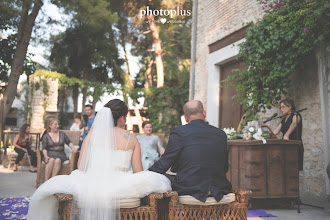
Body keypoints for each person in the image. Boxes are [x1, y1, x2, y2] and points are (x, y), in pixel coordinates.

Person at [28, 99, 171, 220]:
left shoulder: (91, 136)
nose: (126, 120)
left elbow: (81, 166)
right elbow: (138, 171)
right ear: (121, 117)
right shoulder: (131, 138)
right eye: (125, 116)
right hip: (122, 184)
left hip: (92, 183)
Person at [149, 100, 232, 202]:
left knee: (162, 179)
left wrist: (146, 175)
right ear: (204, 113)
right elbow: (225, 167)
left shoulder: (179, 132)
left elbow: (164, 164)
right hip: (218, 187)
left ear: (185, 117)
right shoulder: (221, 134)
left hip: (190, 187)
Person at [42, 118, 77, 182]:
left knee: (58, 160)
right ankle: (46, 180)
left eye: (58, 124)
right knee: (51, 160)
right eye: (55, 124)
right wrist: (46, 156)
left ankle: (52, 180)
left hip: (60, 154)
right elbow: (44, 148)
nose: (57, 126)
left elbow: (69, 142)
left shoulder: (62, 134)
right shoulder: (46, 136)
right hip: (50, 154)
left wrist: (73, 148)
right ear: (50, 125)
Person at [274, 98, 304, 171]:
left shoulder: (296, 115)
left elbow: (294, 124)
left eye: (283, 107)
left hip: (294, 146)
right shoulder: (284, 119)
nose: (281, 109)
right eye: (280, 107)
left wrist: (286, 135)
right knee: (285, 169)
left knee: (293, 170)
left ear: (290, 106)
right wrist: (263, 134)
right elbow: (275, 132)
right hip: (285, 147)